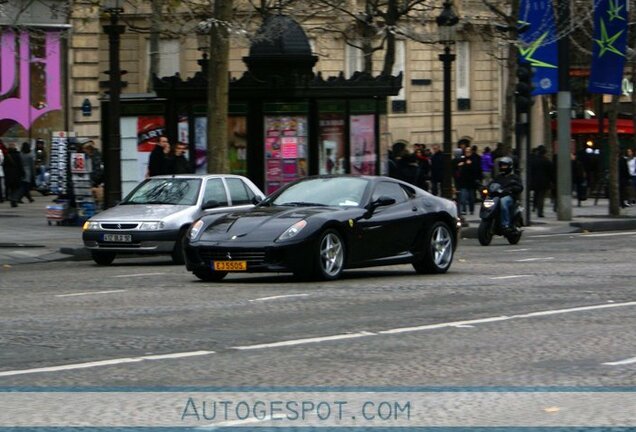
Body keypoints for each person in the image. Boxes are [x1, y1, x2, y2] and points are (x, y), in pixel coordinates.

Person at [492, 156, 523, 233]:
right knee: (488, 202)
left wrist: (512, 189)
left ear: (510, 166)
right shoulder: (498, 177)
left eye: (505, 165)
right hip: (497, 196)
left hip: (509, 197)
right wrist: (484, 188)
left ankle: (505, 224)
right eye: (502, 165)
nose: (503, 167)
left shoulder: (514, 177)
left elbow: (520, 187)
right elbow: (492, 184)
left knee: (503, 202)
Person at [528, 145, 553, 217]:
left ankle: (534, 207)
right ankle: (540, 211)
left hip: (535, 180)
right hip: (544, 181)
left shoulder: (534, 160)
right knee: (541, 196)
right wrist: (552, 181)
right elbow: (550, 172)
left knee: (536, 194)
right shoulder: (547, 161)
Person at [4, 142, 24, 207]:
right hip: (16, 174)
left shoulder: (7, 155)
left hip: (9, 175)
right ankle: (14, 200)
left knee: (10, 188)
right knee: (16, 188)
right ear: (15, 147)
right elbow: (20, 165)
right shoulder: (18, 155)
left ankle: (11, 198)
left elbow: (4, 165)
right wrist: (22, 173)